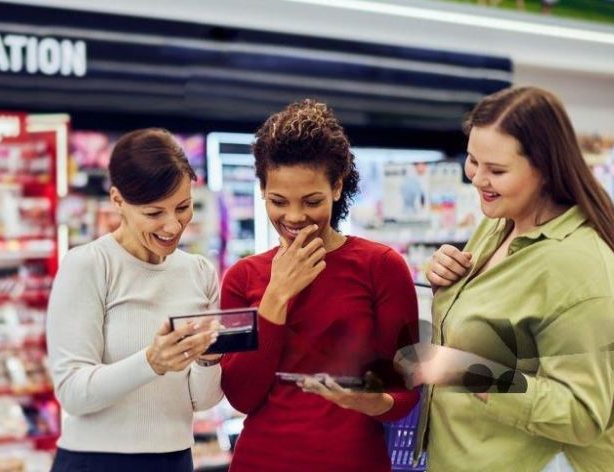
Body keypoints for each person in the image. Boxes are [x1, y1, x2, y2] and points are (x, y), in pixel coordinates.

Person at [419, 86, 614, 471]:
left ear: (544, 169)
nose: (477, 179)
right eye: (473, 161)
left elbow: (581, 414)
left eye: (496, 170)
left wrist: (470, 373)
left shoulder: (578, 267)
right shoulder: (499, 226)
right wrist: (448, 279)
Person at [220, 99, 420, 471]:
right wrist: (276, 296)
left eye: (311, 201)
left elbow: (405, 388)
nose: (294, 217)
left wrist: (372, 401)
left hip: (352, 459)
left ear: (338, 187)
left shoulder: (381, 267)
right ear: (262, 189)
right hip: (261, 460)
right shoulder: (242, 278)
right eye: (279, 201)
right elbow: (240, 396)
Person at [46, 128, 223, 472]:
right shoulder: (89, 265)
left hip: (176, 460)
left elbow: (202, 400)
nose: (172, 226)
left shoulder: (199, 272)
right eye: (154, 213)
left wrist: (209, 359)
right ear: (117, 201)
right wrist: (152, 362)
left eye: (183, 207)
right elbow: (72, 392)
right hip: (96, 462)